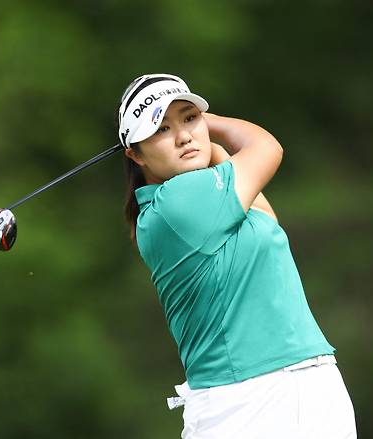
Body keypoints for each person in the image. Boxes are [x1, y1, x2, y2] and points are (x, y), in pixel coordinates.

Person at [118, 73, 356, 438]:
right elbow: (266, 148)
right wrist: (208, 127)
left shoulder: (211, 202)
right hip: (246, 403)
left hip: (309, 383)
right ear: (135, 154)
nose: (183, 135)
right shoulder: (176, 204)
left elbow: (267, 223)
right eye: (161, 129)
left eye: (188, 118)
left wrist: (200, 138)